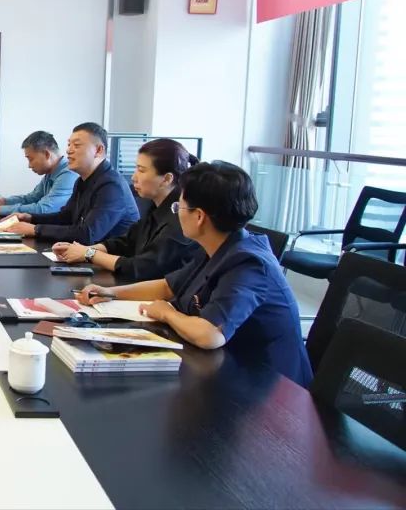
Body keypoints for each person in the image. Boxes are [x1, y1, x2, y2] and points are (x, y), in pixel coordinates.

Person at [75, 161, 313, 386]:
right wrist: (111, 292)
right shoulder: (219, 245)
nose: (177, 213)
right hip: (227, 369)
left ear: (199, 216)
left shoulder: (249, 263)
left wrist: (167, 313)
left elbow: (210, 335)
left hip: (269, 388)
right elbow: (168, 286)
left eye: (178, 207)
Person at [52, 138, 200, 281]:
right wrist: (83, 250)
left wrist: (89, 254)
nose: (134, 177)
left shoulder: (180, 215)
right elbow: (127, 242)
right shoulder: (155, 206)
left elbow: (143, 267)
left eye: (141, 170)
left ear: (167, 179)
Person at [9, 122, 139, 244]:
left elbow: (87, 234)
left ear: (99, 150)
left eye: (76, 145)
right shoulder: (82, 180)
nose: (69, 150)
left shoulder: (112, 186)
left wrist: (36, 229)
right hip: (85, 253)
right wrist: (31, 218)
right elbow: (66, 217)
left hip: (112, 257)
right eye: (69, 145)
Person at [0, 130, 76, 216]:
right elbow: (30, 199)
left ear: (46, 154)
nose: (29, 165)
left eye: (31, 159)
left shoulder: (68, 174)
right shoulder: (50, 173)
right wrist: (3, 201)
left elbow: (44, 209)